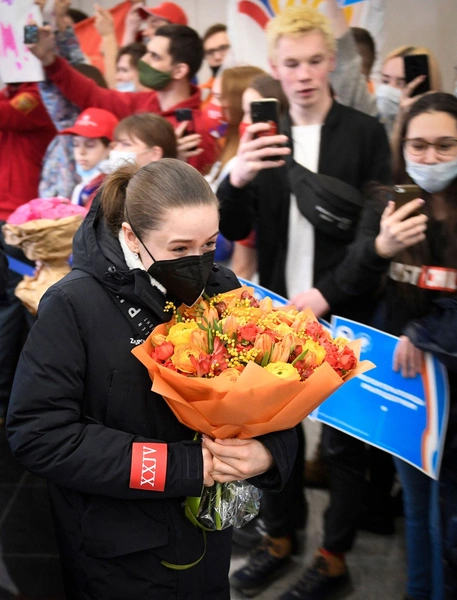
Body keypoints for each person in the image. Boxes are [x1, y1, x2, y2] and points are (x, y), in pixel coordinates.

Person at [5, 158, 297, 600]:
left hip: (206, 541)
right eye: (179, 249)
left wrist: (270, 453)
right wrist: (181, 466)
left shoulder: (222, 288)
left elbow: (272, 390)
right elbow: (39, 433)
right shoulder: (74, 304)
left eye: (208, 245)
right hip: (118, 554)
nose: (197, 263)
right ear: (130, 237)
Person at [217, 6, 391, 599]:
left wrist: (326, 294)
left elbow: (375, 237)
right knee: (275, 435)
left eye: (316, 60)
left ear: (331, 62)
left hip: (344, 309)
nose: (305, 73)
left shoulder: (365, 134)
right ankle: (280, 541)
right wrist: (235, 177)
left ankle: (332, 559)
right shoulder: (265, 136)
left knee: (342, 447)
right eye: (292, 63)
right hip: (274, 312)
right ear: (275, 68)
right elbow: (235, 227)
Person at [340, 91, 457, 600]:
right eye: (418, 145)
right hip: (410, 382)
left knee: (448, 520)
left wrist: (426, 334)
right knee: (415, 505)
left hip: (450, 377)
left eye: (445, 145)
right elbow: (352, 281)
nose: (429, 157)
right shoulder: (389, 203)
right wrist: (380, 247)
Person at [27, 23, 217, 174]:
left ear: (179, 70)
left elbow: (194, 198)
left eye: (155, 56)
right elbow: (92, 95)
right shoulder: (141, 102)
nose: (144, 61)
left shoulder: (198, 132)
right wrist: (49, 60)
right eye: (146, 53)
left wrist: (173, 162)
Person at [59, 107, 118, 206]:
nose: (81, 152)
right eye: (75, 144)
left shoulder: (110, 189)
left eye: (90, 145)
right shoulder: (84, 185)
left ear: (111, 148)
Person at [111, 112, 178, 166]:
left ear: (155, 154)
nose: (116, 150)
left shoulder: (171, 182)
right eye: (116, 145)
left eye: (126, 144)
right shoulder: (105, 180)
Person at [201, 24, 231, 103]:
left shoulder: (250, 89)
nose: (217, 57)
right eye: (210, 52)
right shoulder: (203, 93)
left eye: (223, 48)